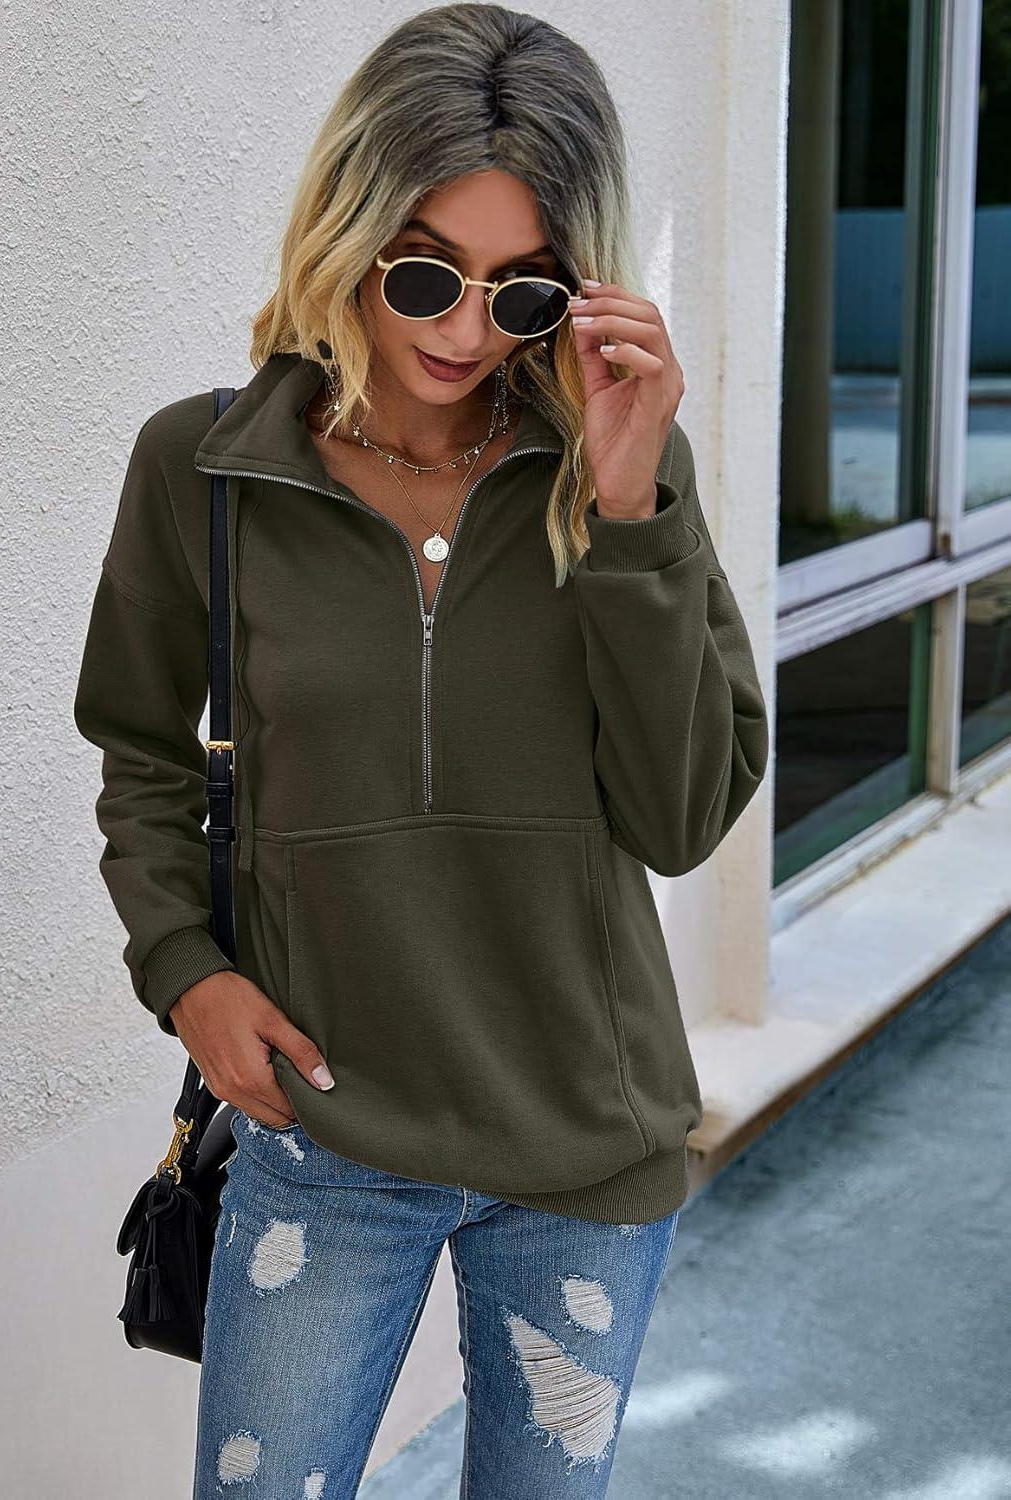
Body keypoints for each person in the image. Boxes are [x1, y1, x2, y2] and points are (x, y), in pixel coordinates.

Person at [73, 4, 770, 1494]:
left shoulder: (620, 473)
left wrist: (630, 508)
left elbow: (683, 815)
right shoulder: (206, 469)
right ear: (349, 234)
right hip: (325, 1138)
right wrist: (186, 974)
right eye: (424, 274)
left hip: (585, 1148)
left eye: (523, 292)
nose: (463, 332)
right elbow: (139, 749)